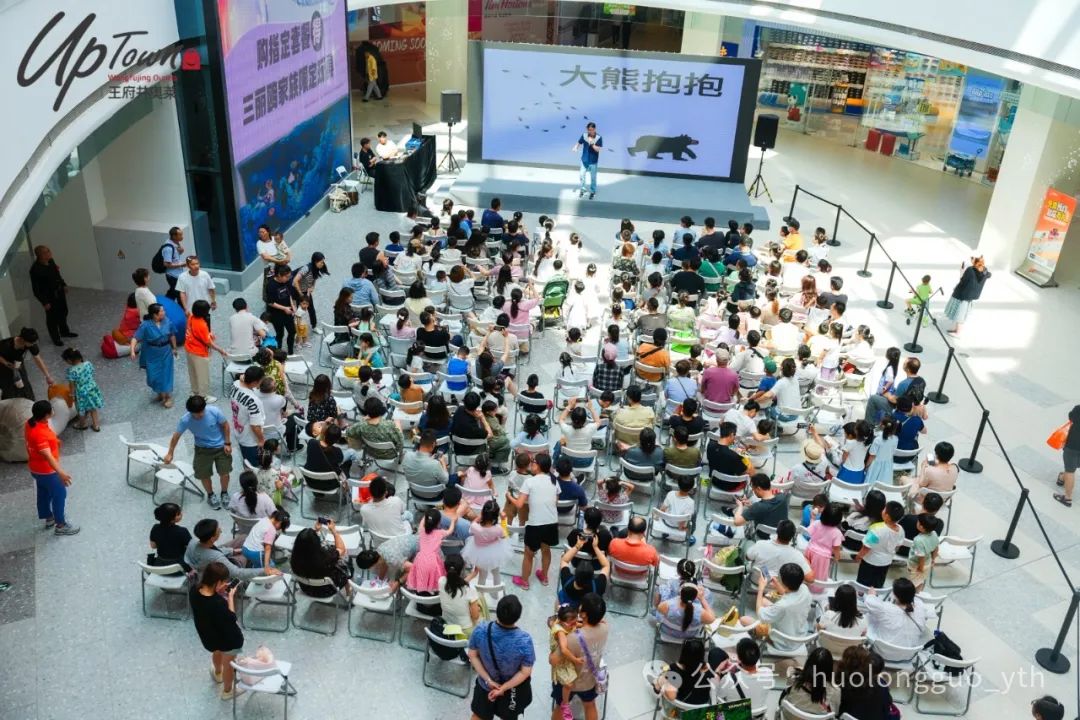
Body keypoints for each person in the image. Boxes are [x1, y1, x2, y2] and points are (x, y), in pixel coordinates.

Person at [467, 595, 535, 720]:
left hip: (485, 686)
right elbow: (525, 672)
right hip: (511, 691)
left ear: (497, 611)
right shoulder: (524, 640)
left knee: (479, 716)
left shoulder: (481, 630)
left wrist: (489, 680)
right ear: (518, 616)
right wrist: (503, 688)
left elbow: (472, 655)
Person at [164, 395, 233, 509]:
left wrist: (227, 443)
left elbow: (225, 425)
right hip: (202, 449)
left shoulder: (214, 411)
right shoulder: (185, 420)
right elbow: (176, 436)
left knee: (224, 473)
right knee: (204, 474)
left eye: (202, 411)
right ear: (190, 412)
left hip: (221, 447)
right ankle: (210, 495)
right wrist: (170, 453)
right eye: (196, 413)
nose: (200, 415)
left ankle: (224, 493)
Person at [189, 562, 245, 700]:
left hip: (209, 636)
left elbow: (208, 609)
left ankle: (217, 673)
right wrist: (230, 597)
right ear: (218, 582)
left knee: (217, 651)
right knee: (229, 665)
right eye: (224, 581)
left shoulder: (194, 590)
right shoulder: (218, 603)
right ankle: (228, 691)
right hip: (230, 640)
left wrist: (218, 591)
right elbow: (232, 618)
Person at [24, 400, 79, 535]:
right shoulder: (40, 435)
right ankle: (61, 525)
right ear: (46, 415)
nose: (53, 410)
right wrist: (61, 473)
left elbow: (33, 443)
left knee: (43, 492)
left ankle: (49, 518)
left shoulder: (30, 423)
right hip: (47, 471)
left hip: (35, 468)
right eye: (52, 409)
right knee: (59, 494)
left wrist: (54, 441)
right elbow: (47, 456)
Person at [506, 453, 559, 590]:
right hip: (552, 522)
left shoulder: (529, 482)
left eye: (533, 462)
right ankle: (545, 577)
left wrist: (509, 496)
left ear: (539, 466)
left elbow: (519, 504)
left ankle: (524, 581)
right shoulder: (554, 481)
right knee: (546, 550)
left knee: (528, 554)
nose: (531, 465)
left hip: (535, 524)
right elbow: (555, 502)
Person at [552, 592, 608, 720]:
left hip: (568, 682)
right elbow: (601, 621)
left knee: (561, 706)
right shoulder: (605, 628)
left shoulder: (572, 638)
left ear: (583, 614)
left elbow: (553, 660)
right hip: (590, 680)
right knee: (590, 705)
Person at [184, 518, 281, 581]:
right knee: (246, 554)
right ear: (212, 538)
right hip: (217, 572)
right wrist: (265, 570)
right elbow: (238, 573)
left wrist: (233, 551)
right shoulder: (216, 557)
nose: (221, 530)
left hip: (210, 558)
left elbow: (215, 550)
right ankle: (260, 562)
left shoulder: (193, 542)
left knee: (243, 538)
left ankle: (259, 556)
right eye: (218, 530)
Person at [130, 303, 177, 408]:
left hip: (165, 351)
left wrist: (174, 348)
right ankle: (160, 393)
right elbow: (135, 338)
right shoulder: (146, 325)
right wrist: (132, 350)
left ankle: (167, 396)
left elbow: (172, 335)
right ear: (155, 315)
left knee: (166, 374)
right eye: (162, 311)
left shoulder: (167, 321)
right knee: (152, 376)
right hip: (152, 353)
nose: (164, 312)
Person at [864, 578, 932, 647]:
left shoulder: (886, 608)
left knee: (869, 617)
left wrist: (872, 595)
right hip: (909, 651)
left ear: (895, 595)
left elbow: (870, 602)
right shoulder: (920, 607)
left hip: (883, 649)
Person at [29, 245, 75, 346]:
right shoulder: (35, 270)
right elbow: (36, 290)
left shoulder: (51, 261)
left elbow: (57, 274)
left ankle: (64, 332)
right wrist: (44, 302)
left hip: (59, 293)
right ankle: (56, 338)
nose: (49, 253)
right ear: (40, 255)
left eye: (48, 251)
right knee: (52, 319)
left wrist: (63, 284)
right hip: (49, 297)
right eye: (46, 252)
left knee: (63, 312)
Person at [290, 521, 350, 597]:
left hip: (306, 589)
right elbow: (341, 549)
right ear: (316, 543)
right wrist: (334, 531)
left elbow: (307, 543)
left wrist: (316, 530)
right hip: (327, 591)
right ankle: (348, 592)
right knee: (345, 559)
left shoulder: (294, 559)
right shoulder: (326, 558)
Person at [855, 501, 906, 587]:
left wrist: (859, 556)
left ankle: (860, 594)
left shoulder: (876, 528)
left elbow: (867, 547)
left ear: (887, 516)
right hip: (886, 562)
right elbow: (898, 546)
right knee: (878, 583)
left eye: (884, 509)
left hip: (870, 561)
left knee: (862, 583)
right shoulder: (901, 529)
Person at [747, 519, 814, 583]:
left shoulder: (760, 544)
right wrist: (805, 559)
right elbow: (810, 579)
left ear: (776, 532)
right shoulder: (797, 555)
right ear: (792, 536)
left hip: (756, 582)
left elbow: (748, 557)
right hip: (778, 588)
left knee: (748, 544)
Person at [185, 300, 227, 402]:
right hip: (199, 352)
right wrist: (220, 350)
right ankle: (203, 396)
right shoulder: (201, 324)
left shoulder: (191, 317)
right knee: (203, 375)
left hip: (189, 348)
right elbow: (208, 343)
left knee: (193, 373)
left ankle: (195, 392)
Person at [463, 499, 512, 586]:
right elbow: (504, 535)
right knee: (496, 573)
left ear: (483, 513)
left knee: (482, 576)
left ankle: (480, 592)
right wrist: (503, 520)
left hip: (478, 553)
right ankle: (496, 591)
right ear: (496, 516)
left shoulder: (475, 527)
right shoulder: (498, 529)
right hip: (494, 553)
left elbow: (472, 524)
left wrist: (479, 517)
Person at [549, 604, 585, 720]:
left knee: (570, 683)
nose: (574, 625)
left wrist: (587, 624)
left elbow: (578, 625)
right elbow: (564, 650)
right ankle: (565, 704)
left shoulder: (567, 624)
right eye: (572, 624)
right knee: (568, 684)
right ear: (562, 621)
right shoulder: (560, 632)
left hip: (565, 659)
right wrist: (575, 660)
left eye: (575, 622)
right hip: (561, 663)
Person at [1, 327, 54, 400]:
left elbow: (38, 359)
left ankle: (28, 400)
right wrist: (7, 363)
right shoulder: (6, 344)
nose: (34, 344)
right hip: (4, 364)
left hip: (17, 363)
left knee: (23, 382)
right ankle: (11, 402)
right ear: (23, 340)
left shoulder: (31, 344)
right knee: (9, 385)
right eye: (32, 343)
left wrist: (48, 376)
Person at [557, 536, 610, 608]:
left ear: (575, 573)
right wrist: (595, 547)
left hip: (568, 609)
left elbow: (564, 560)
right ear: (592, 577)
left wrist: (577, 546)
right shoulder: (598, 586)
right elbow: (606, 565)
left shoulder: (566, 579)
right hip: (586, 610)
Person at [229, 365, 267, 467]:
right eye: (261, 380)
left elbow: (241, 378)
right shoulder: (254, 401)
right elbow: (255, 426)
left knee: (245, 458)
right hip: (250, 439)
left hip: (238, 430)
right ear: (254, 382)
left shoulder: (235, 384)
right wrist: (261, 440)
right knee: (253, 465)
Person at [407, 508, 452, 592]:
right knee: (434, 577)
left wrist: (428, 513)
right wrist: (453, 522)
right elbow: (450, 531)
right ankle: (431, 592)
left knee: (421, 576)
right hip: (433, 561)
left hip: (420, 559)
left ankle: (421, 592)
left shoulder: (421, 530)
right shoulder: (440, 533)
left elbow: (422, 522)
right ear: (439, 522)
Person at [944, 256, 991, 336]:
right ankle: (956, 330)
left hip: (962, 295)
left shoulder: (970, 270)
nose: (971, 260)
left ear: (975, 262)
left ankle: (958, 333)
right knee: (961, 313)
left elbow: (963, 281)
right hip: (970, 296)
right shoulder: (985, 271)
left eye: (972, 259)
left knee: (960, 314)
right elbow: (989, 275)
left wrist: (961, 272)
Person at [61, 347, 103, 431]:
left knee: (81, 409)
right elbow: (92, 373)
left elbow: (72, 385)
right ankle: (96, 425)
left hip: (81, 393)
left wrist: (72, 395)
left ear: (69, 361)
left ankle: (82, 424)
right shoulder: (88, 364)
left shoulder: (71, 371)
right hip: (92, 388)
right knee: (93, 407)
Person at [439, 554, 482, 636]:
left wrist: (473, 574)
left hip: (447, 624)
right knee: (480, 601)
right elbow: (475, 616)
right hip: (465, 631)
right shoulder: (470, 589)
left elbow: (455, 584)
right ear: (462, 570)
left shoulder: (441, 581)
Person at [264, 264, 299, 353]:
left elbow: (289, 294)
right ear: (279, 275)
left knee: (292, 331)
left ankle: (290, 351)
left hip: (288, 312)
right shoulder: (271, 285)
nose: (288, 278)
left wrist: (292, 305)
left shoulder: (286, 281)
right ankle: (278, 352)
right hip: (276, 315)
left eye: (289, 276)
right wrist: (284, 308)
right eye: (286, 276)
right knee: (280, 334)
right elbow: (271, 302)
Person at [149, 502, 191, 568]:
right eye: (178, 514)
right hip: (179, 565)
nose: (181, 514)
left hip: (159, 565)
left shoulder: (155, 528)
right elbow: (191, 548)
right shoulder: (182, 531)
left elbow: (153, 546)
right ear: (171, 520)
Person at [1054, 404, 1080, 507]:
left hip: (1073, 445)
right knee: (1073, 466)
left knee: (1070, 471)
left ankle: (1067, 498)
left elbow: (1071, 416)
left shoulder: (1078, 409)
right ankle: (1062, 478)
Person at [573, 122, 603, 199]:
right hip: (584, 160)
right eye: (589, 130)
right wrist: (576, 147)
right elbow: (579, 142)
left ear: (595, 129)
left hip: (593, 161)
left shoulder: (598, 138)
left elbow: (598, 149)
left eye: (592, 130)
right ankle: (583, 190)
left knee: (593, 177)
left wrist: (592, 143)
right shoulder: (584, 135)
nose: (590, 131)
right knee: (581, 175)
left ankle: (593, 191)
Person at [161, 226, 186, 302]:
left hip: (177, 274)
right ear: (174, 236)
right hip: (172, 276)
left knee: (172, 293)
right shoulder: (168, 248)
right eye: (180, 235)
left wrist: (181, 250)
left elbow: (176, 256)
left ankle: (165, 304)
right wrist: (181, 265)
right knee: (179, 295)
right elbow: (166, 264)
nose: (182, 237)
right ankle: (181, 308)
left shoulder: (175, 243)